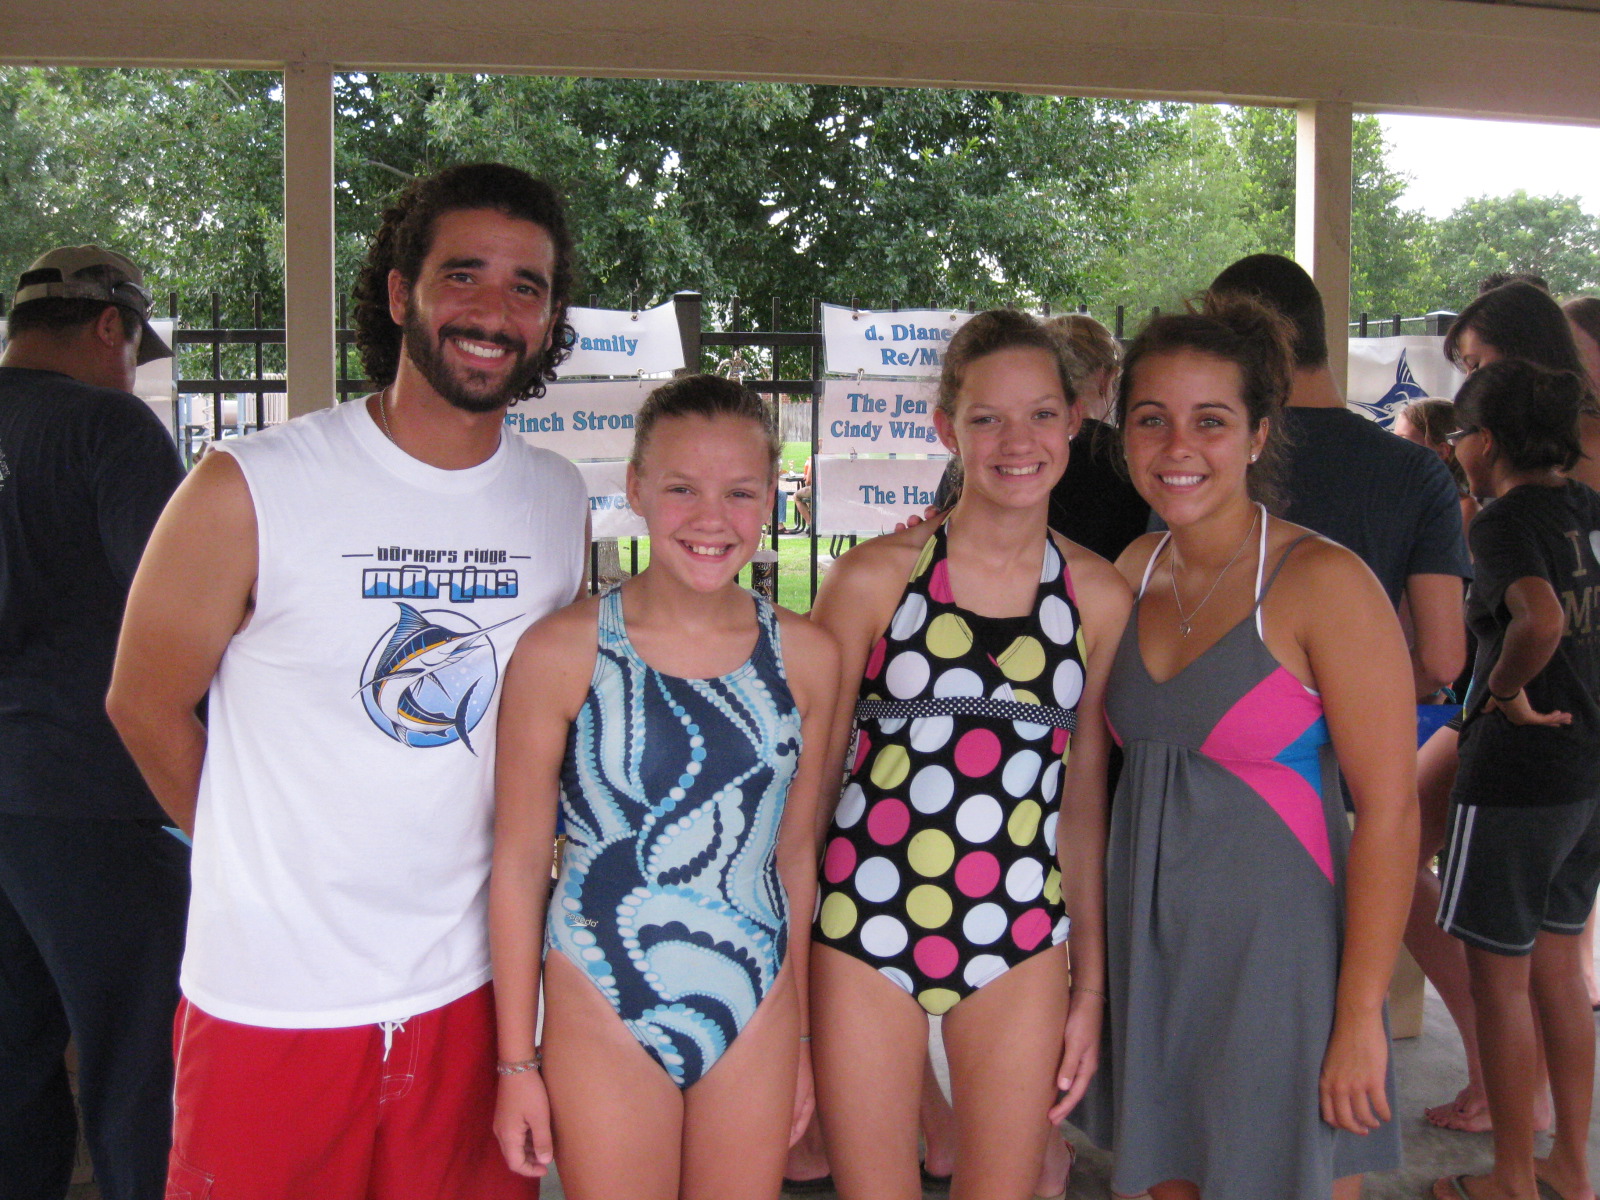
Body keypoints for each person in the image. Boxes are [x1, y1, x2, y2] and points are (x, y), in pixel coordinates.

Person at [108, 163, 588, 1200]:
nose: (493, 313)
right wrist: (254, 859)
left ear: (550, 320)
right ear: (398, 292)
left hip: (471, 997)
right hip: (272, 1001)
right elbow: (142, 703)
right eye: (463, 276)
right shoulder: (252, 484)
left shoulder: (555, 500)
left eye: (526, 288)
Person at [490, 375, 838, 1198]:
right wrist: (516, 1060)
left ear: (770, 496)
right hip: (601, 996)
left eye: (740, 492)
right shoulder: (563, 651)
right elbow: (515, 867)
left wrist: (801, 1044)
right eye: (682, 488)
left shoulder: (810, 657)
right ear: (638, 488)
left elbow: (795, 863)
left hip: (754, 1000)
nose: (712, 518)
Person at [808, 308, 1129, 1200]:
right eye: (987, 418)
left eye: (1039, 414)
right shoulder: (875, 579)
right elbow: (812, 788)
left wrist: (1090, 988)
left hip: (1019, 933)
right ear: (947, 428)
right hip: (861, 926)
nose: (1015, 441)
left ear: (1074, 421)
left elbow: (1083, 802)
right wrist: (793, 981)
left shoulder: (1097, 598)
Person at [1104, 295, 1416, 1200]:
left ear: (1256, 435)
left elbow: (1392, 814)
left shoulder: (1321, 581)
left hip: (1281, 971)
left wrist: (1360, 1015)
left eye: (1211, 421)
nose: (1176, 447)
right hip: (1149, 958)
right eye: (1151, 420)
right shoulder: (1131, 570)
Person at [0, 246, 183, 1200]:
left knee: (10, 1070)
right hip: (94, 802)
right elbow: (184, 611)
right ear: (109, 326)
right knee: (140, 1069)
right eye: (131, 346)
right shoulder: (110, 429)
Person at [1406, 280, 1595, 1133]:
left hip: (1524, 721)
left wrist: (1509, 691)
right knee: (1396, 848)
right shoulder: (1553, 484)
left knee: (1522, 951)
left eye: (1482, 366)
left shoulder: (1532, 490)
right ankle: (1523, 1110)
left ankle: (1513, 1114)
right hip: (1533, 716)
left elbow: (1542, 617)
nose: (1469, 385)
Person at [1208, 253, 1470, 702]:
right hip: (1355, 748)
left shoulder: (1211, 461)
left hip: (1211, 737)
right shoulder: (1419, 472)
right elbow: (1440, 661)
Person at [1393, 397, 1478, 538]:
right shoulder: (1394, 497)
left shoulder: (1463, 508)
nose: (1393, 447)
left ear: (1442, 451)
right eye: (1393, 438)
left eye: (1403, 440)